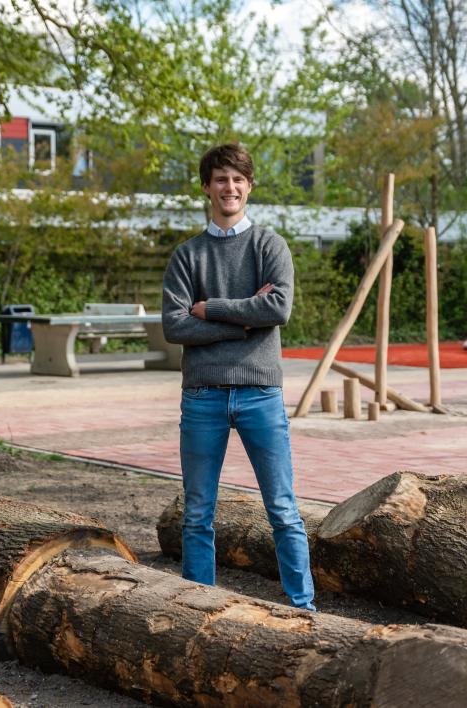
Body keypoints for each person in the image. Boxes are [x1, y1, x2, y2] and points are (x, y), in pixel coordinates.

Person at [162, 143, 315, 611]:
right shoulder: (187, 256)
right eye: (221, 179)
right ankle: (197, 608)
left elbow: (278, 308)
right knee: (197, 514)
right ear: (207, 186)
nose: (230, 187)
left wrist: (212, 309)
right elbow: (174, 325)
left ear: (249, 186)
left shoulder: (270, 246)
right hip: (203, 395)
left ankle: (303, 606)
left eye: (238, 179)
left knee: (284, 510)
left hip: (260, 394)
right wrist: (247, 317)